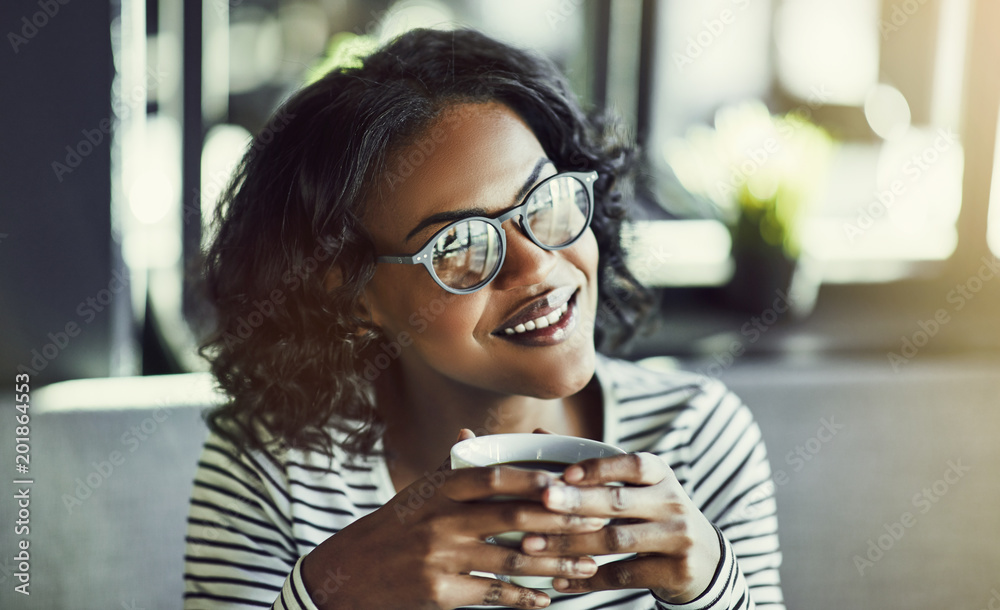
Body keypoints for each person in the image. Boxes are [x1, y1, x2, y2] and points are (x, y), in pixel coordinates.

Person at [184, 28, 784, 610]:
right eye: (460, 245)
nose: (536, 264)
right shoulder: (273, 465)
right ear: (354, 298)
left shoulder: (697, 435)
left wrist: (711, 592)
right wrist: (328, 597)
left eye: (546, 201)